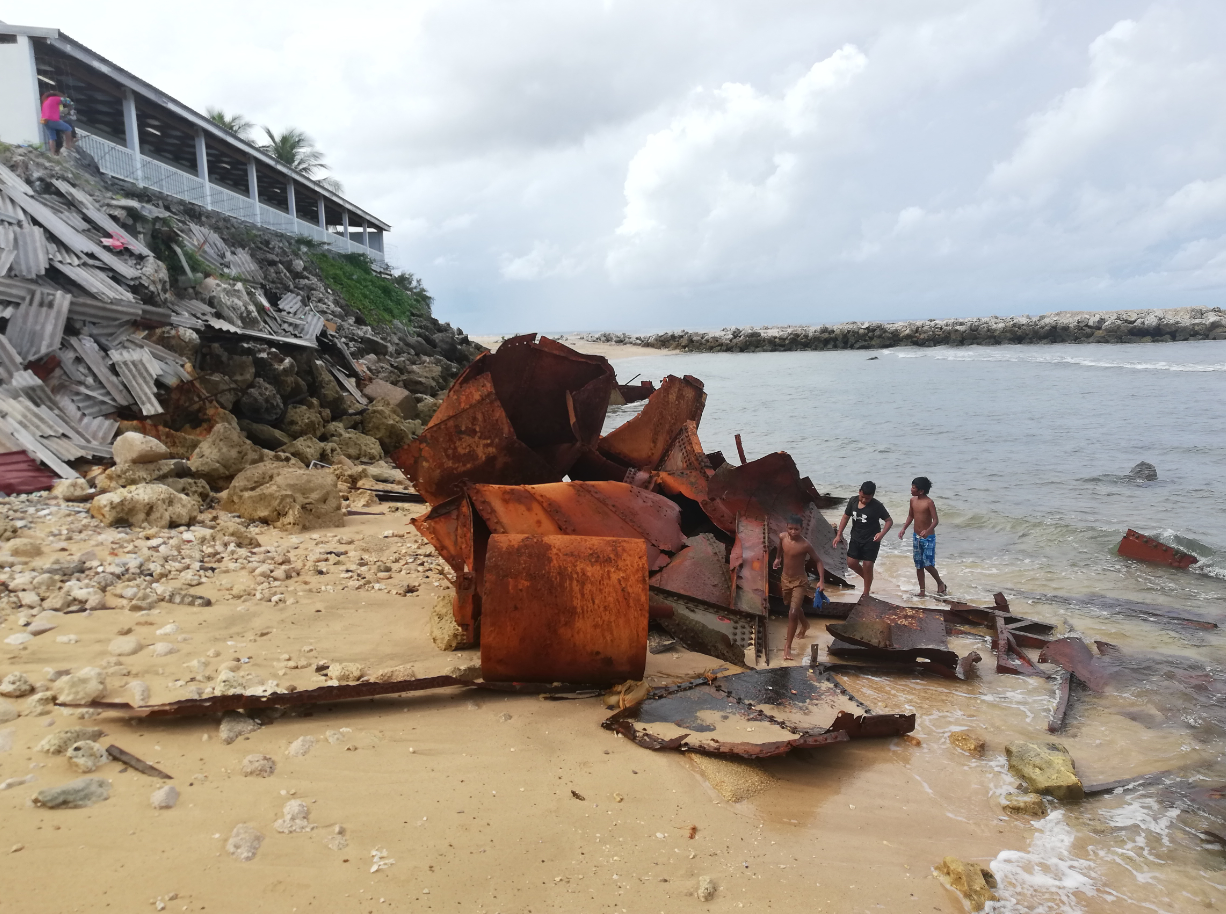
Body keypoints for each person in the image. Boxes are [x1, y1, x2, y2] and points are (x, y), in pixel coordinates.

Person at [772, 513, 825, 662]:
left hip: (800, 581)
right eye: (791, 529)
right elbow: (780, 547)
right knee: (790, 605)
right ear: (786, 528)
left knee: (793, 612)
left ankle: (787, 647)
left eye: (796, 529)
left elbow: (819, 561)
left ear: (802, 529)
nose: (793, 532)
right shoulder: (783, 537)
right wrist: (777, 558)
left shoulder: (805, 545)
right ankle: (805, 624)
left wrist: (821, 580)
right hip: (785, 579)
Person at [832, 481, 892, 595]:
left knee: (868, 564)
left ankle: (866, 592)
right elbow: (846, 517)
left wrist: (882, 533)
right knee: (851, 563)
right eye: (862, 497)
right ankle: (867, 578)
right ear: (859, 492)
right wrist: (839, 534)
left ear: (872, 496)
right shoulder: (853, 501)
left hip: (872, 539)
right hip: (856, 537)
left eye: (868, 499)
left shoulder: (877, 506)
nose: (864, 500)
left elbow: (889, 521)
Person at [898, 476, 946, 596]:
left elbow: (935, 520)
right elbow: (911, 516)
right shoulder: (912, 500)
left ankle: (940, 583)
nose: (911, 489)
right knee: (919, 564)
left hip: (928, 538)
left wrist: (928, 530)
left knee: (928, 564)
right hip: (916, 537)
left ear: (921, 491)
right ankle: (922, 591)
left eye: (913, 487)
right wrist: (903, 528)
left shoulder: (929, 502)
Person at [39, 90, 75, 156]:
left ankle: (52, 153)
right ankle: (68, 145)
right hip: (52, 119)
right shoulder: (55, 99)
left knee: (52, 137)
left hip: (44, 120)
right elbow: (68, 101)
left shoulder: (45, 102)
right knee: (68, 128)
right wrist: (70, 107)